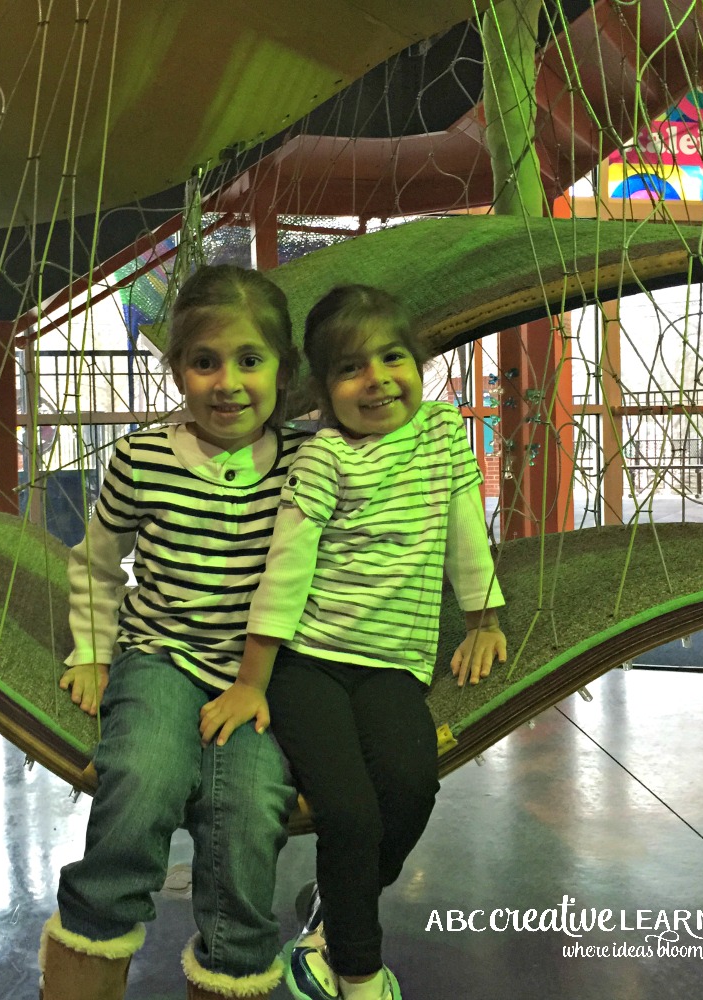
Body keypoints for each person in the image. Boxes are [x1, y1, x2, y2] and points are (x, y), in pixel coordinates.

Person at [199, 284, 507, 1000]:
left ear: (419, 363)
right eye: (350, 369)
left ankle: (332, 913)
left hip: (393, 664)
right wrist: (252, 678)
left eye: (393, 357)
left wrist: (482, 617)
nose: (377, 381)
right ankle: (357, 968)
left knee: (410, 786)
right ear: (323, 391)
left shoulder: (440, 434)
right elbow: (286, 571)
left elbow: (466, 529)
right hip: (306, 665)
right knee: (348, 810)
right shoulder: (324, 459)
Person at [39, 264, 309, 1000]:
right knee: (142, 778)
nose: (228, 382)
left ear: (284, 373)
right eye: (205, 361)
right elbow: (96, 563)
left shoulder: (308, 464)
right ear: (178, 372)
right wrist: (94, 652)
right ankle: (87, 953)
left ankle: (234, 970)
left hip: (258, 678)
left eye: (251, 360)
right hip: (161, 658)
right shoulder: (143, 458)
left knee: (251, 814)